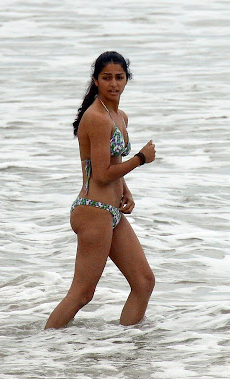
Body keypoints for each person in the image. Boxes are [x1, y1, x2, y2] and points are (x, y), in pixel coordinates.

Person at [45, 51, 156, 329]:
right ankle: (42, 349)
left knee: (143, 282)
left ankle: (126, 349)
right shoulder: (97, 118)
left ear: (127, 80)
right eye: (106, 78)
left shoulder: (119, 116)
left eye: (119, 77)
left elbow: (111, 163)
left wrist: (125, 190)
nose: (113, 83)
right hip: (93, 210)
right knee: (82, 294)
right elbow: (103, 173)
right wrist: (140, 159)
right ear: (95, 81)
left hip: (111, 211)